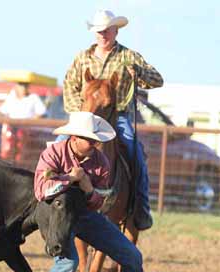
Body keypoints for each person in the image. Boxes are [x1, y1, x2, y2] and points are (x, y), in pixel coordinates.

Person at [15, 111, 162, 272]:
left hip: (84, 215)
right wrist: (70, 179)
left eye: (96, 140)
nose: (95, 144)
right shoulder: (53, 153)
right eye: (90, 140)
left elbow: (99, 203)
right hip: (56, 215)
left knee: (133, 257)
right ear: (74, 137)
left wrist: (86, 188)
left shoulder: (101, 162)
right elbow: (41, 191)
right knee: (67, 263)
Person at [61, 9, 164, 231]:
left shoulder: (129, 57)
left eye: (107, 30)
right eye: (99, 30)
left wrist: (140, 72)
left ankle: (140, 208)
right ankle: (50, 200)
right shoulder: (82, 58)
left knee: (134, 152)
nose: (103, 34)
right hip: (85, 116)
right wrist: (77, 112)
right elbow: (69, 85)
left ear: (116, 31)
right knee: (59, 147)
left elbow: (157, 80)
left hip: (118, 116)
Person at [0, 81, 46, 152]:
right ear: (16, 86)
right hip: (11, 125)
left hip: (26, 128)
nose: (23, 87)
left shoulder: (33, 97)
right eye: (21, 85)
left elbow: (42, 113)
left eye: (25, 85)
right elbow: (2, 111)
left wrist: (31, 120)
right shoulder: (12, 97)